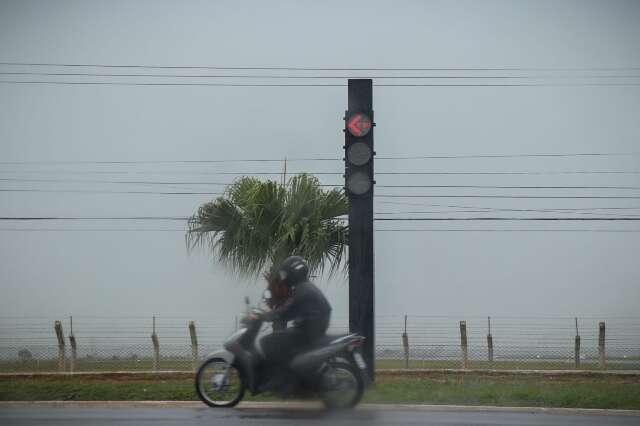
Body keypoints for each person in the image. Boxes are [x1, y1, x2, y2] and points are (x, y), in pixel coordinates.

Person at [257, 255, 332, 377]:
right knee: (282, 340)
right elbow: (291, 311)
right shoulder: (306, 287)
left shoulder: (302, 290)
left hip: (307, 331)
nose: (284, 277)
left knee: (267, 341)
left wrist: (265, 316)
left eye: (285, 274)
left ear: (293, 274)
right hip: (311, 329)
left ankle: (281, 377)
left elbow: (286, 311)